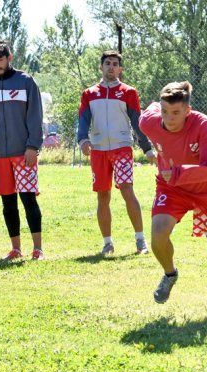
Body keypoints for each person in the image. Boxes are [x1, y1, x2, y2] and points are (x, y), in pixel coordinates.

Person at [139, 81, 207, 309]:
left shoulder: (205, 126)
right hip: (171, 188)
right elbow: (150, 108)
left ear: (188, 110)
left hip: (206, 191)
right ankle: (170, 274)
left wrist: (178, 172)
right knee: (158, 234)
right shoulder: (149, 122)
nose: (169, 118)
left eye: (176, 112)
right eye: (165, 111)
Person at [77, 50, 156, 256]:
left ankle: (140, 241)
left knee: (127, 190)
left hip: (122, 148)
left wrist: (147, 148)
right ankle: (107, 243)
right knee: (103, 196)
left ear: (120, 69)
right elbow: (83, 120)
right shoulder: (89, 93)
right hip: (98, 150)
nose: (111, 67)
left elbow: (138, 122)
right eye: (107, 63)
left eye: (115, 64)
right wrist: (83, 140)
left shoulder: (129, 92)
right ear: (101, 67)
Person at [0, 40, 44, 260]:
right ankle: (16, 249)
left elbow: (35, 116)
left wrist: (32, 146)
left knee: (28, 199)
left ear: (10, 58)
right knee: (8, 203)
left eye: (0, 59)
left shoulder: (26, 82)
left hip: (24, 153)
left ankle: (38, 249)